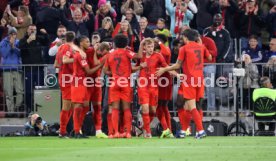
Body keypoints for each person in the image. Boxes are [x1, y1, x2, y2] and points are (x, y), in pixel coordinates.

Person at [156, 29, 212, 139]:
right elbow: (210, 58)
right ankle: (183, 130)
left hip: (189, 80)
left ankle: (200, 131)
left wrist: (164, 69)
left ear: (186, 38)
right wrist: (201, 44)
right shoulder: (201, 46)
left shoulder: (184, 48)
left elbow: (177, 65)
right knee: (186, 106)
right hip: (200, 80)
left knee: (191, 106)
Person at [103, 34, 142, 138]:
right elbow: (138, 57)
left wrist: (113, 73)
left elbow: (105, 70)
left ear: (115, 43)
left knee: (115, 108)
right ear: (126, 43)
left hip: (114, 82)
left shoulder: (110, 54)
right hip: (125, 82)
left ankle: (115, 132)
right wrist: (141, 44)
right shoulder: (127, 52)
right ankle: (128, 132)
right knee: (126, 109)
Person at [134, 38, 169, 138]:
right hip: (143, 85)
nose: (150, 48)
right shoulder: (141, 56)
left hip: (154, 87)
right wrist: (140, 67)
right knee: (145, 109)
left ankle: (143, 127)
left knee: (153, 111)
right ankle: (148, 133)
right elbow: (133, 68)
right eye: (148, 46)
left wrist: (175, 74)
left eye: (152, 46)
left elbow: (166, 66)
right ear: (144, 47)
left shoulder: (158, 56)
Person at [71, 36, 104, 138]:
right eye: (87, 41)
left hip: (87, 82)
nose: (89, 43)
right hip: (80, 82)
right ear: (81, 43)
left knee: (86, 107)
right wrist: (100, 65)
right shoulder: (82, 54)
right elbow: (88, 71)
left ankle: (78, 131)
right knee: (79, 107)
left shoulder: (83, 53)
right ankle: (76, 131)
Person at [85, 42, 110, 138]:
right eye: (104, 52)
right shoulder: (88, 51)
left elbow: (96, 63)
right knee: (83, 107)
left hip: (96, 83)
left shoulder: (105, 54)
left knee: (98, 107)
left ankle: (98, 131)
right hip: (86, 82)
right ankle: (77, 129)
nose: (104, 55)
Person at [55, 31, 75, 138]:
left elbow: (56, 64)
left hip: (65, 78)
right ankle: (62, 131)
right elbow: (65, 60)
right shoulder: (68, 48)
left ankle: (62, 129)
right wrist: (77, 59)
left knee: (71, 106)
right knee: (67, 106)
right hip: (67, 79)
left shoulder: (60, 48)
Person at [0, 27, 23, 113]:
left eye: (14, 34)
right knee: (8, 92)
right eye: (11, 34)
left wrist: (14, 47)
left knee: (20, 91)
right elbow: (4, 54)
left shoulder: (18, 42)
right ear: (8, 35)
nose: (13, 36)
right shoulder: (2, 43)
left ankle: (17, 108)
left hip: (17, 69)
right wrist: (10, 45)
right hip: (7, 70)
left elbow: (21, 54)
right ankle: (11, 111)